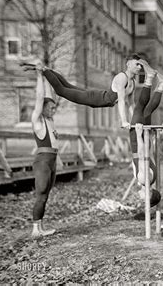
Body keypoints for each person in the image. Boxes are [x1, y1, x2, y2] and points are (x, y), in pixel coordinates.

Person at [21, 55, 142, 129]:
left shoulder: (133, 83)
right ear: (128, 64)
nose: (139, 67)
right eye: (137, 64)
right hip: (96, 98)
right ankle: (44, 70)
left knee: (68, 85)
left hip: (98, 97)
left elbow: (131, 104)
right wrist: (124, 121)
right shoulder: (122, 78)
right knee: (61, 90)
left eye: (141, 65)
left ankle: (44, 69)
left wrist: (135, 121)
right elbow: (121, 101)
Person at [130, 59, 163, 209]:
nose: (140, 198)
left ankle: (162, 84)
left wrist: (147, 138)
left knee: (147, 110)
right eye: (143, 199)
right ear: (148, 195)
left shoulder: (151, 179)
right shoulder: (145, 179)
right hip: (137, 142)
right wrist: (138, 135)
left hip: (145, 142)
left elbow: (148, 155)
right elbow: (142, 155)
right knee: (139, 108)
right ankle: (150, 77)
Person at [30, 67, 59, 237]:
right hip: (42, 161)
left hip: (52, 161)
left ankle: (40, 227)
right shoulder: (38, 121)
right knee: (41, 194)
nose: (52, 111)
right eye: (50, 108)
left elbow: (49, 96)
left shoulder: (50, 121)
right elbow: (40, 97)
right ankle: (35, 230)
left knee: (45, 195)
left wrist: (47, 75)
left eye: (54, 109)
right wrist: (39, 76)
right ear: (43, 108)